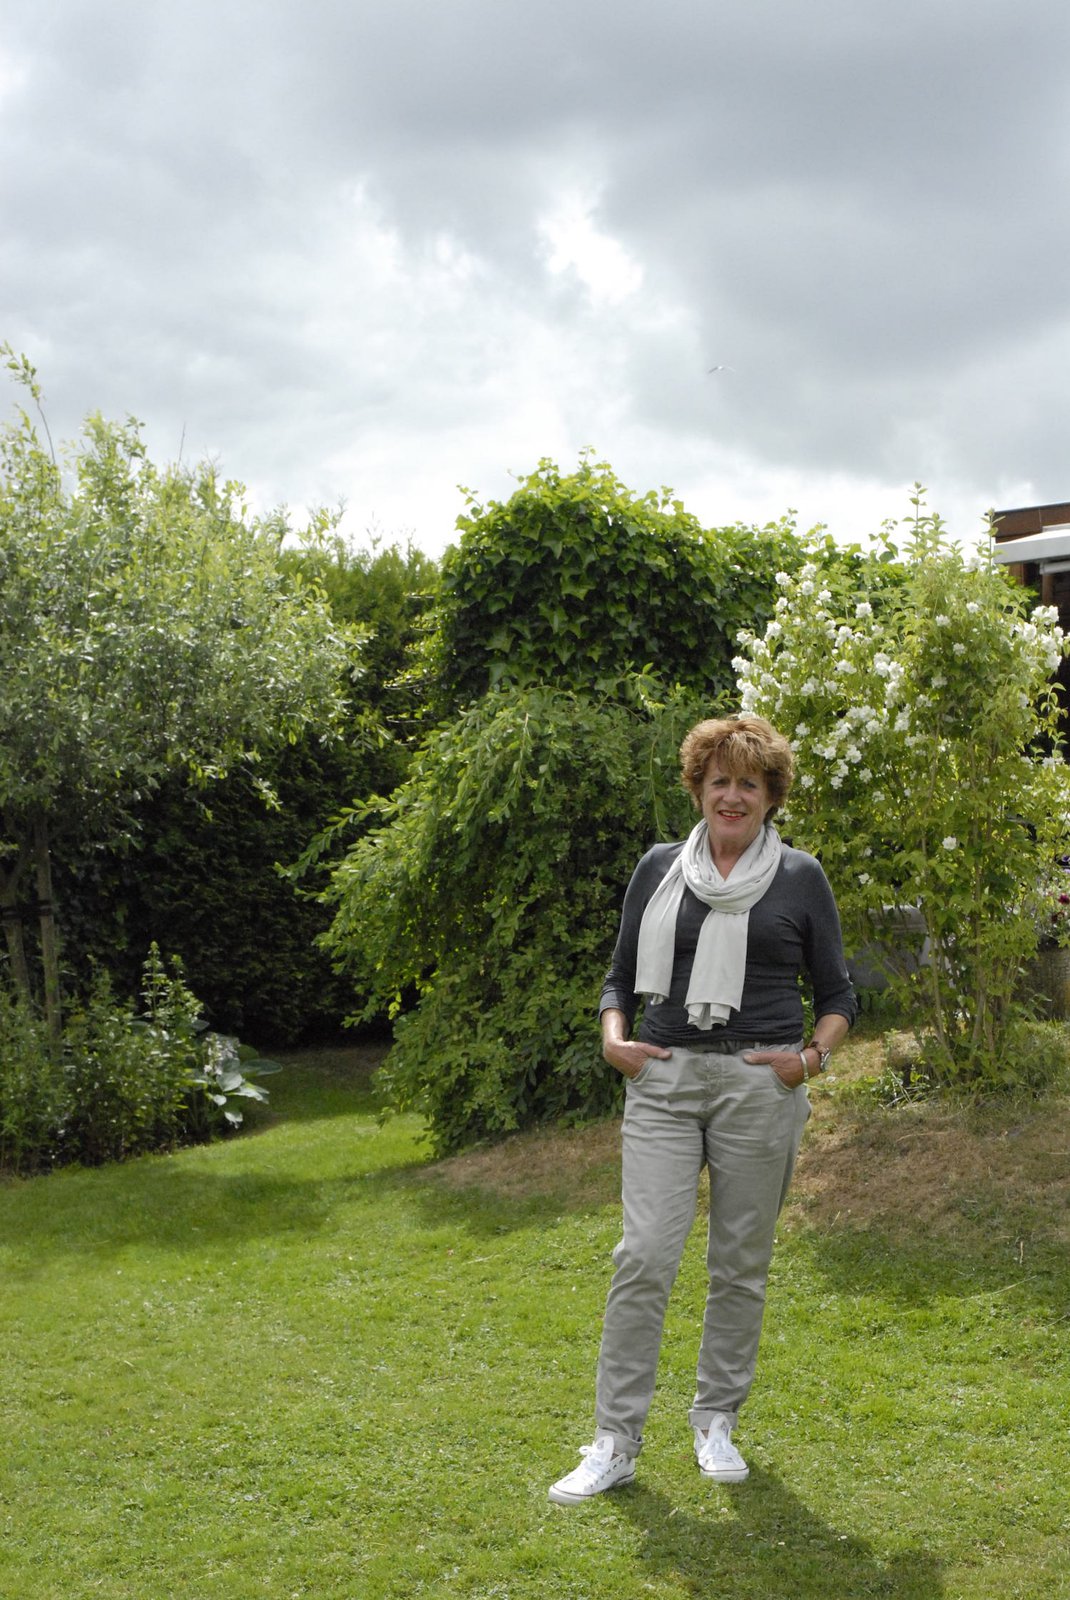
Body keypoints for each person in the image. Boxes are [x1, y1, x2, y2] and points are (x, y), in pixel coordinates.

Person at [548, 714, 856, 1505]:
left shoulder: (800, 878)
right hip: (665, 1078)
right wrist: (615, 1039)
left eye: (747, 783)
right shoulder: (659, 868)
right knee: (644, 1255)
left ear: (769, 796)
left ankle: (715, 1420)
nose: (731, 796)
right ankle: (614, 1441)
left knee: (739, 1268)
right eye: (718, 781)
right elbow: (619, 978)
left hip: (762, 1084)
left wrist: (808, 1059)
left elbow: (838, 995)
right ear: (698, 787)